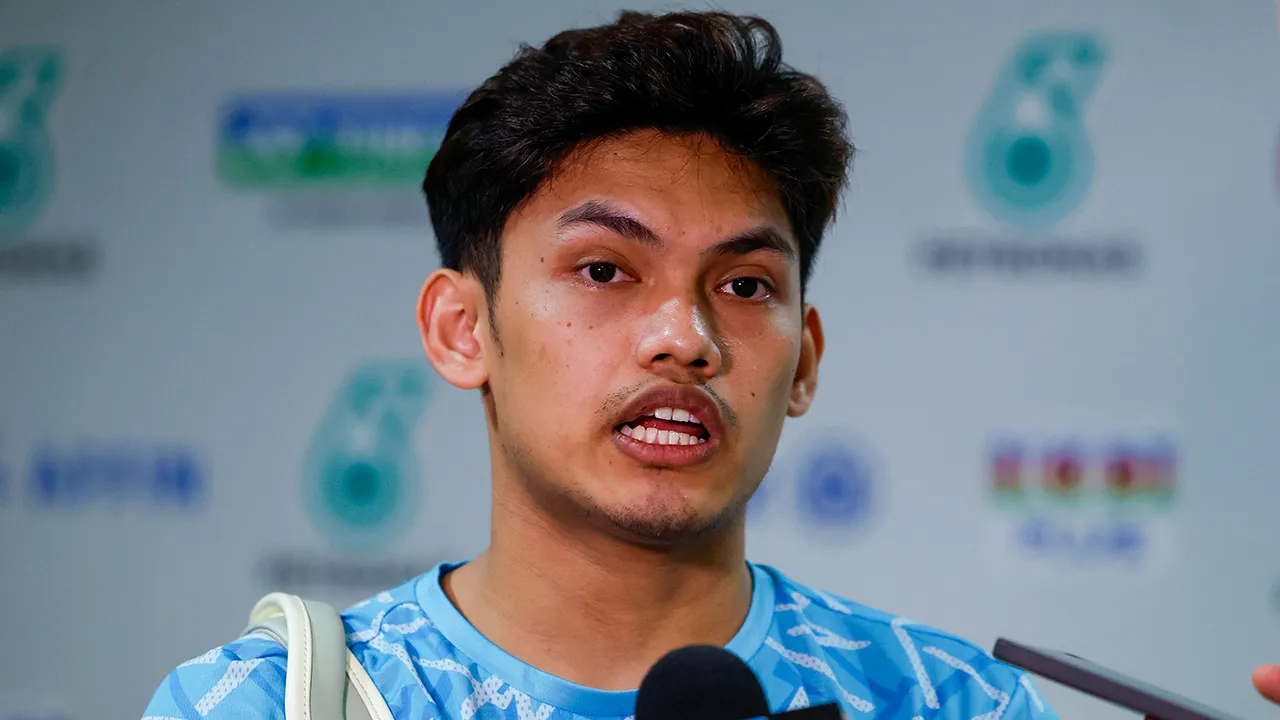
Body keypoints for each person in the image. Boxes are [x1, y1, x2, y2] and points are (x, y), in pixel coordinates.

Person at [141, 11, 1060, 719]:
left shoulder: (946, 701)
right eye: (605, 271)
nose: (685, 335)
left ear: (805, 362)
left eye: (743, 286)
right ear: (463, 329)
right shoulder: (268, 703)